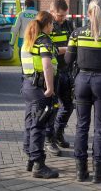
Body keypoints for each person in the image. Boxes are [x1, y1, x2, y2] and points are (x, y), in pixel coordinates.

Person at [65, 0, 101, 183]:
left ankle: (80, 172)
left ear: (87, 13)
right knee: (100, 128)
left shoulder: (77, 33)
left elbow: (67, 60)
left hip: (82, 80)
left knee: (81, 126)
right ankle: (99, 172)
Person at [21, 11, 59, 179]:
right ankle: (39, 165)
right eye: (52, 24)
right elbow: (47, 66)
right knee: (39, 125)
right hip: (39, 87)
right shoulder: (44, 40)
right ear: (47, 24)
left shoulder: (29, 39)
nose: (53, 27)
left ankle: (30, 158)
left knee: (30, 122)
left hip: (28, 85)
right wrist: (50, 88)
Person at [45, 0, 75, 156]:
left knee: (69, 106)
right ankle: (49, 139)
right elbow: (50, 50)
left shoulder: (69, 25)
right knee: (52, 107)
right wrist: (69, 48)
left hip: (67, 71)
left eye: (64, 15)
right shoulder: (47, 27)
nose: (62, 18)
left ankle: (58, 133)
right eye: (59, 15)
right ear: (51, 12)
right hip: (54, 72)